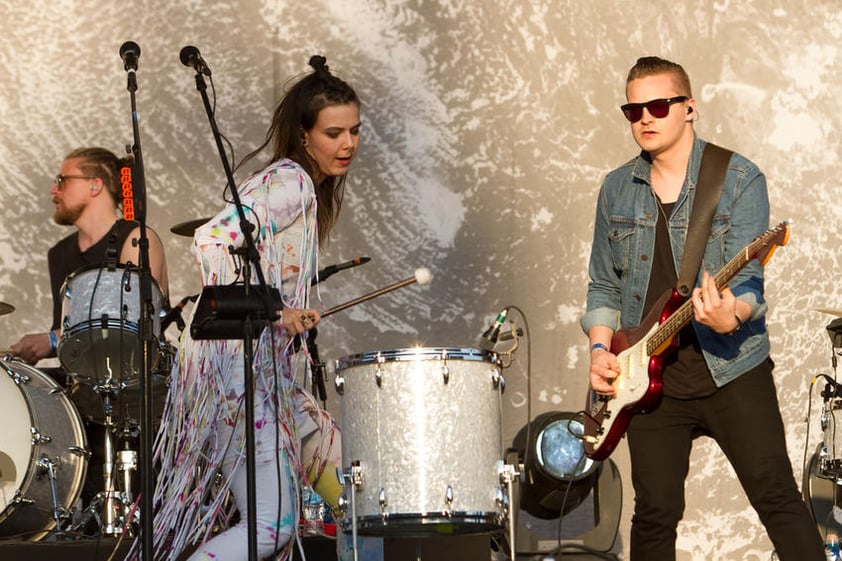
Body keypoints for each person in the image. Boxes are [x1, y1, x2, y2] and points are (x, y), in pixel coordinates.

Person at [581, 56, 823, 560]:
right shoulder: (616, 188)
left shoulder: (737, 178)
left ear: (688, 108)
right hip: (646, 381)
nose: (645, 118)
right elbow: (603, 286)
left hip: (731, 367)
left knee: (776, 497)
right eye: (633, 110)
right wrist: (601, 350)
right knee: (655, 514)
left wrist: (729, 314)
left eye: (658, 105)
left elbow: (749, 282)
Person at [149, 55, 359, 561]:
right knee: (274, 523)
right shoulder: (293, 182)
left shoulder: (300, 186)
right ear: (304, 135)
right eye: (334, 133)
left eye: (354, 130)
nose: (348, 143)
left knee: (358, 501)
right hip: (233, 372)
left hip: (265, 377)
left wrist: (283, 311)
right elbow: (213, 238)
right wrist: (273, 312)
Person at [11, 147, 169, 365]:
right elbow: (67, 330)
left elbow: (125, 321)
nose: (53, 190)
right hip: (84, 384)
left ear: (95, 185)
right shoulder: (59, 253)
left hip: (138, 383)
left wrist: (50, 340)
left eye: (62, 180)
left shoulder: (137, 239)